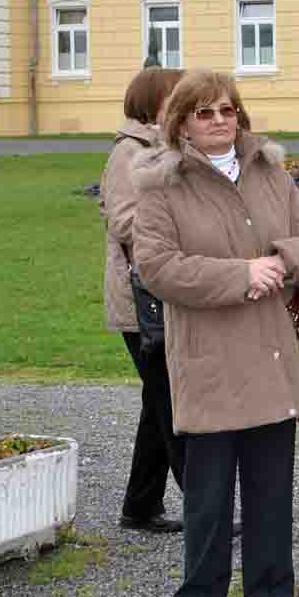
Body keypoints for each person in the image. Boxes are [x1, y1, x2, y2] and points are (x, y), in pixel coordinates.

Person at [131, 70, 299, 597]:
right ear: (181, 122)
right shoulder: (161, 185)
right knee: (209, 499)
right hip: (209, 359)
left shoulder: (271, 172)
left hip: (269, 355)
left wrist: (285, 261)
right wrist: (241, 274)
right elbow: (159, 268)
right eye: (205, 113)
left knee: (271, 494)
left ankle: (271, 596)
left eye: (228, 111)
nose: (220, 122)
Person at [101, 65, 186, 534]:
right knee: (173, 401)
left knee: (159, 403)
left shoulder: (166, 148)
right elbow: (126, 222)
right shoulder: (128, 153)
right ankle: (204, 506)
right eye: (177, 97)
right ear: (153, 102)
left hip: (167, 293)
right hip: (143, 301)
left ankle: (140, 506)